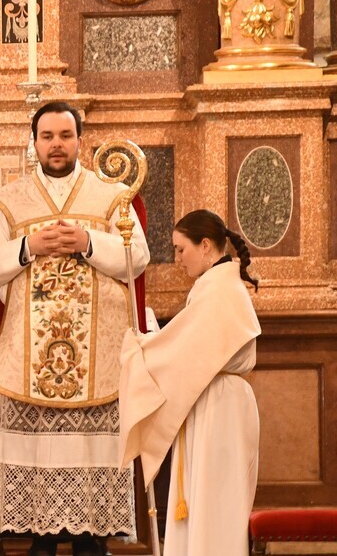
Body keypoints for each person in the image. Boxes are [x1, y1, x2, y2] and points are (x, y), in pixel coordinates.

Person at [0, 101, 149, 556]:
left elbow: (138, 257)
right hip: (29, 358)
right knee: (38, 465)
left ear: (80, 141)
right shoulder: (9, 200)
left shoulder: (112, 197)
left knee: (92, 456)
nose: (56, 145)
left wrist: (88, 242)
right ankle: (41, 539)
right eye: (47, 136)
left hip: (97, 359)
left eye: (65, 136)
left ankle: (93, 541)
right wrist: (28, 246)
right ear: (34, 143)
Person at [119, 210, 260, 556]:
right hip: (211, 400)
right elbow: (189, 346)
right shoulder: (213, 286)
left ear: (206, 245)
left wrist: (141, 351)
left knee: (215, 498)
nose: (178, 259)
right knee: (204, 497)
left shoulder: (219, 290)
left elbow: (184, 351)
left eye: (181, 249)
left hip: (220, 406)